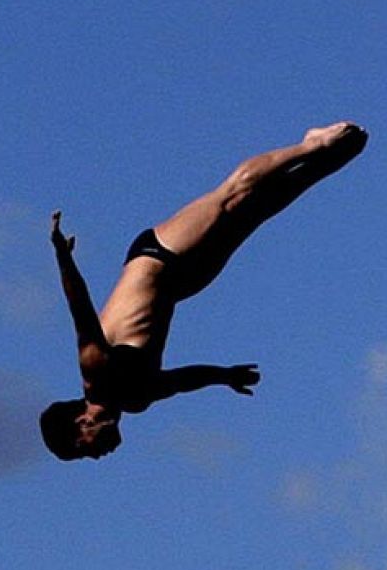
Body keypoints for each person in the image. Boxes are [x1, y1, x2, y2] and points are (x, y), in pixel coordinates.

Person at [41, 121, 368, 461]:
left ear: (81, 424)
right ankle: (322, 166)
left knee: (232, 196)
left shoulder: (97, 373)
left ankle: (311, 146)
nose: (98, 456)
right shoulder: (137, 399)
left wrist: (63, 257)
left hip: (159, 257)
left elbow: (80, 310)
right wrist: (224, 376)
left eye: (86, 451)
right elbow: (183, 381)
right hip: (184, 282)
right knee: (256, 212)